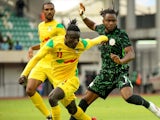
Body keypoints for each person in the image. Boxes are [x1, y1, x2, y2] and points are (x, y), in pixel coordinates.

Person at [69, 3, 160, 120]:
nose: (111, 23)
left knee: (128, 97)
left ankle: (152, 107)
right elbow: (92, 25)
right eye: (108, 20)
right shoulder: (102, 29)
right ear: (104, 21)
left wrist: (121, 61)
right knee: (85, 100)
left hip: (119, 72)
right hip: (105, 74)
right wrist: (82, 16)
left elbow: (131, 53)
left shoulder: (121, 35)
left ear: (116, 21)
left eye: (113, 20)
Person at [19, 19, 108, 120]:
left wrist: (106, 38)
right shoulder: (53, 43)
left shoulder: (82, 44)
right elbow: (36, 58)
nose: (75, 42)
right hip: (58, 83)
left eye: (77, 39)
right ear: (65, 37)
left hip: (71, 81)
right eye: (72, 38)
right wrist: (24, 74)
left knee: (52, 98)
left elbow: (96, 40)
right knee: (73, 110)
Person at [18, 1, 66, 120]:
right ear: (43, 12)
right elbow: (44, 44)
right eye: (47, 9)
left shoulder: (59, 27)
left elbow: (65, 45)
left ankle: (79, 115)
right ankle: (48, 116)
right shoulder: (40, 26)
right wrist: (32, 48)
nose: (49, 11)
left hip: (54, 65)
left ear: (54, 11)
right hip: (41, 63)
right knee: (29, 89)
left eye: (51, 9)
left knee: (65, 99)